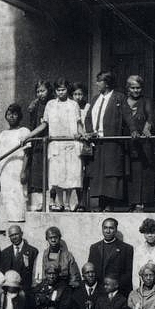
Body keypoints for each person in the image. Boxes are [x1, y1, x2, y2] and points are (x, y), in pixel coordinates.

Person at [28, 78, 84, 212]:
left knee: (70, 175)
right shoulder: (50, 105)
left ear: (67, 90)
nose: (60, 92)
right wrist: (29, 135)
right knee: (56, 176)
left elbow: (78, 124)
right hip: (56, 143)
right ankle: (59, 203)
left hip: (71, 143)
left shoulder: (73, 105)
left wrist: (82, 134)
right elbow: (44, 124)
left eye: (63, 89)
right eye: (58, 90)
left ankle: (68, 202)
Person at [84, 71, 126, 211]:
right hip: (97, 141)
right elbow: (88, 118)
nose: (96, 83)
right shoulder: (95, 98)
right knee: (98, 174)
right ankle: (100, 203)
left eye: (99, 81)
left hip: (111, 141)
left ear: (107, 83)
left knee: (110, 173)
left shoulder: (119, 97)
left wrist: (133, 130)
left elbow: (126, 116)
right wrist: (90, 132)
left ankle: (110, 204)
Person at [121, 74, 155, 212]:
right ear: (128, 88)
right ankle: (130, 202)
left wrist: (147, 128)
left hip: (143, 141)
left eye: (138, 88)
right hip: (128, 140)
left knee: (142, 171)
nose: (136, 90)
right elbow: (123, 118)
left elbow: (150, 117)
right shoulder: (123, 101)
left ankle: (141, 203)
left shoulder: (146, 101)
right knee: (129, 170)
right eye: (133, 88)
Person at [0, 103, 30, 230]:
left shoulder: (24, 131)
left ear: (19, 116)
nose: (11, 116)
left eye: (14, 114)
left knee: (18, 195)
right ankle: (8, 226)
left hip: (17, 168)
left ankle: (19, 225)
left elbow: (27, 153)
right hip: (5, 170)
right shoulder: (3, 134)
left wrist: (24, 171)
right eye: (9, 114)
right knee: (7, 196)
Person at [88, 217, 134, 297]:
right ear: (102, 229)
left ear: (116, 230)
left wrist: (114, 286)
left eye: (111, 228)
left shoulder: (126, 248)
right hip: (99, 291)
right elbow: (90, 269)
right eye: (105, 228)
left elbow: (128, 273)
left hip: (118, 292)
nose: (108, 231)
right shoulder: (94, 248)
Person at [25, 80, 53, 211]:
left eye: (43, 91)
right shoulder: (35, 106)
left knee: (49, 172)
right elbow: (34, 123)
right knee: (37, 173)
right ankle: (40, 202)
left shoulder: (52, 104)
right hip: (38, 141)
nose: (40, 94)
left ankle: (51, 201)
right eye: (38, 91)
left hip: (49, 140)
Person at [0, 224, 39, 294]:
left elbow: (34, 274)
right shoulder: (4, 253)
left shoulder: (33, 251)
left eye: (16, 234)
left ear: (21, 234)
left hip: (26, 291)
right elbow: (2, 272)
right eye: (11, 235)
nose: (14, 237)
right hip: (9, 291)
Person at [70, 82, 92, 212]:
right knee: (75, 172)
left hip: (85, 142)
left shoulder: (88, 106)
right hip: (73, 142)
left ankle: (84, 202)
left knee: (84, 173)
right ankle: (76, 202)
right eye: (75, 94)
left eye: (80, 94)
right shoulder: (70, 106)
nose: (78, 97)